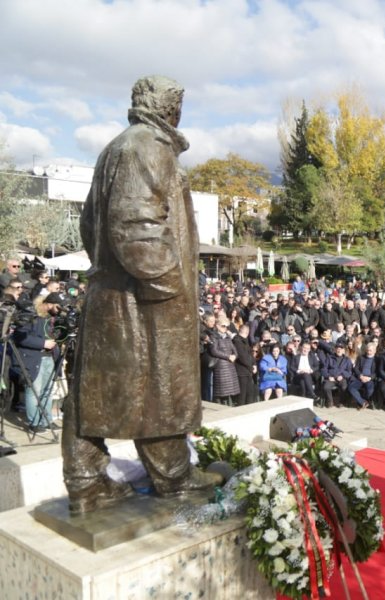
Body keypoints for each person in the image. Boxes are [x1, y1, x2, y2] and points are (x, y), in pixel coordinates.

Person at [62, 76, 221, 514]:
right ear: (171, 108)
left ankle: (86, 483)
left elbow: (90, 225)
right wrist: (169, 286)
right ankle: (173, 478)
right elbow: (136, 225)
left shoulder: (117, 147)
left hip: (115, 292)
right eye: (178, 104)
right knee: (158, 387)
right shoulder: (146, 146)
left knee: (99, 391)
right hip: (144, 298)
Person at [12, 294, 63, 432]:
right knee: (34, 391)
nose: (60, 310)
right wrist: (43, 343)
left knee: (47, 392)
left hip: (50, 358)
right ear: (49, 304)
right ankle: (34, 423)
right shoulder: (31, 315)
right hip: (34, 358)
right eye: (58, 307)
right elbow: (20, 337)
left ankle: (46, 421)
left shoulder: (52, 318)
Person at [208, 318, 240, 406]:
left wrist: (235, 356)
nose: (225, 328)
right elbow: (214, 351)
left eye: (227, 326)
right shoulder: (213, 336)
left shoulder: (227, 337)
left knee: (231, 390)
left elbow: (234, 350)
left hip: (230, 365)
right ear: (217, 326)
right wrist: (228, 356)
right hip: (221, 366)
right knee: (222, 392)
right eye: (223, 326)